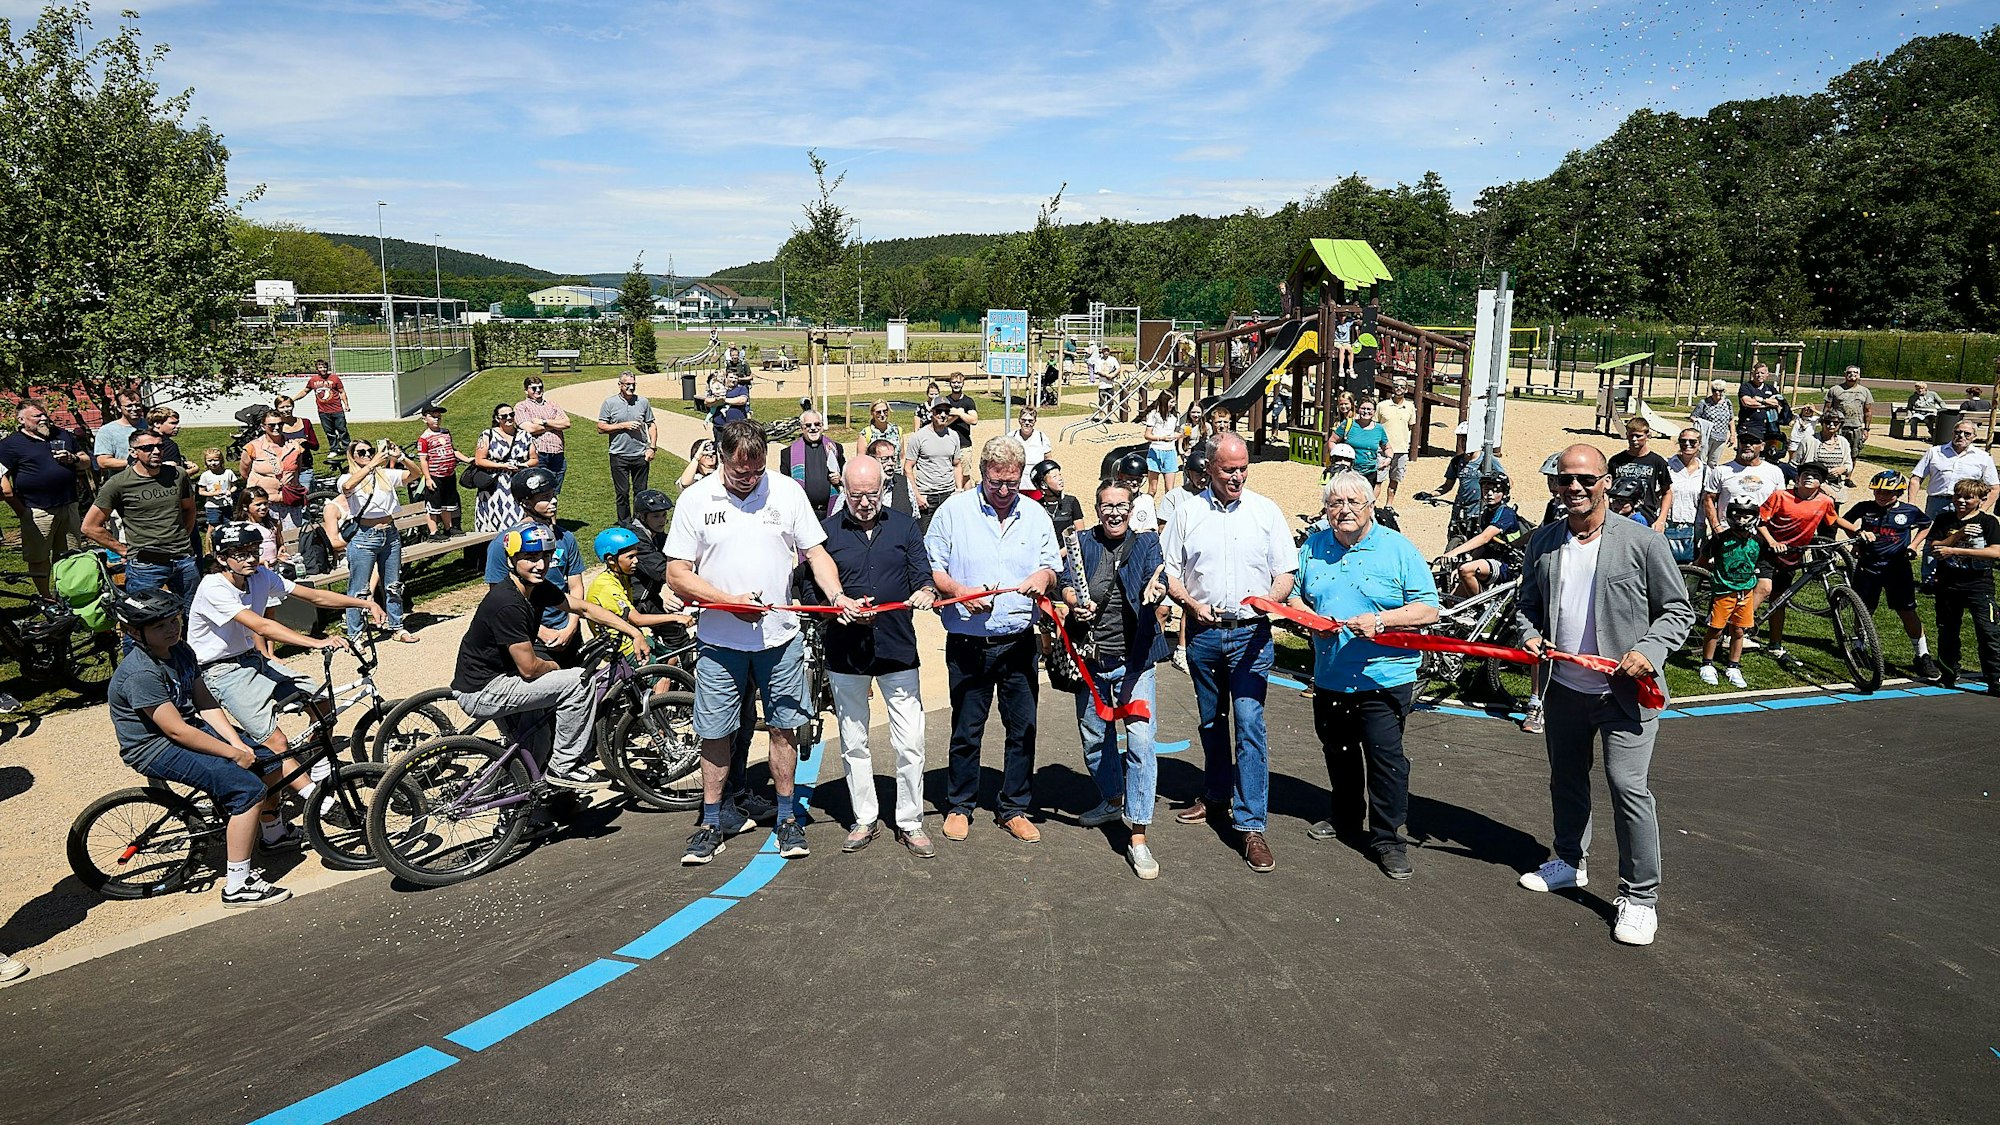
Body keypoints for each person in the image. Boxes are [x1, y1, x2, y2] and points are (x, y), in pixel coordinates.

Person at [1513, 445, 1694, 947]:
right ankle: (1569, 861)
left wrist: (1650, 650)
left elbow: (1678, 611)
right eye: (1564, 479)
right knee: (1566, 779)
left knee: (1627, 787)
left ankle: (1639, 898)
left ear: (1606, 481)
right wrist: (1528, 635)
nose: (1574, 488)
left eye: (1585, 479)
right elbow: (1527, 606)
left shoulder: (1641, 542)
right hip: (1565, 690)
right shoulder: (1543, 542)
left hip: (1626, 693)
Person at [668, 420, 860, 864]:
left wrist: (836, 595)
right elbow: (677, 573)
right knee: (715, 734)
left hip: (780, 640)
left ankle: (788, 820)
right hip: (719, 641)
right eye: (740, 473)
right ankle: (711, 821)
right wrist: (728, 602)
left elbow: (816, 553)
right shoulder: (695, 500)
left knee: (784, 727)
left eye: (756, 473)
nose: (750, 480)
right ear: (720, 455)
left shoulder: (786, 492)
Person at [104, 587, 314, 908]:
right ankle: (237, 885)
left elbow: (203, 701)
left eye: (174, 620)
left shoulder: (181, 650)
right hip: (155, 746)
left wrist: (236, 742)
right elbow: (175, 731)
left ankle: (272, 833)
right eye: (160, 626)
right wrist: (232, 754)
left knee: (269, 761)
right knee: (247, 791)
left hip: (189, 728)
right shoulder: (141, 673)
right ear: (135, 632)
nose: (172, 628)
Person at [1292, 470, 1440, 880]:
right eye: (1335, 504)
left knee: (1385, 759)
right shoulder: (1313, 547)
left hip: (1385, 676)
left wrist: (1382, 620)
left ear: (1370, 505)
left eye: (1353, 503)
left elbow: (1428, 608)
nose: (1344, 511)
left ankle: (1388, 838)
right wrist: (1305, 616)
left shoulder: (1397, 549)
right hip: (1330, 675)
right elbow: (1291, 592)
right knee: (1337, 750)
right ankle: (1345, 817)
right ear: (1325, 510)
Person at [1161, 432, 1297, 873]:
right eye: (1228, 470)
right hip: (1203, 633)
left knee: (1250, 722)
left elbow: (1285, 572)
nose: (1237, 477)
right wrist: (1191, 603)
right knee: (1211, 720)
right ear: (1210, 468)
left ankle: (1251, 824)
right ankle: (1217, 792)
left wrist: (1270, 601)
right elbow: (1172, 572)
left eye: (1242, 469)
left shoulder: (1265, 511)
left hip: (1251, 634)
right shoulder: (1187, 512)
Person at [926, 435, 1060, 843]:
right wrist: (960, 592)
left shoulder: (1035, 515)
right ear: (982, 472)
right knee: (967, 727)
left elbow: (1053, 567)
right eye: (996, 482)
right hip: (969, 643)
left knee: (1023, 728)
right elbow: (934, 567)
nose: (1004, 491)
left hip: (1019, 641)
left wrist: (1044, 578)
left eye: (1012, 483)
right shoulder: (953, 511)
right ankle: (961, 804)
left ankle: (1014, 806)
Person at [455, 524, 652, 797]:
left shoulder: (535, 588)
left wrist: (631, 630)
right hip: (484, 690)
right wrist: (557, 666)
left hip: (501, 680)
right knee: (577, 681)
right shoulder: (507, 603)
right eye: (531, 558)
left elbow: (583, 607)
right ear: (512, 560)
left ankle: (516, 810)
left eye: (546, 557)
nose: (540, 565)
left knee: (539, 741)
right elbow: (530, 668)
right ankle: (565, 768)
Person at [820, 456, 937, 857]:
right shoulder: (827, 533)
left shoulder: (904, 526)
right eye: (856, 495)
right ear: (844, 491)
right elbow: (809, 591)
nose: (866, 502)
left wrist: (926, 591)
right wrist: (836, 604)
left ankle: (910, 821)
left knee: (910, 742)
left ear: (883, 488)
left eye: (872, 494)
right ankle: (865, 817)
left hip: (897, 648)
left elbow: (923, 574)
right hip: (846, 652)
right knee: (854, 741)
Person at [192, 523, 382, 768]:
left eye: (254, 550)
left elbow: (315, 596)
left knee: (322, 702)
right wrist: (316, 642)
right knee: (277, 743)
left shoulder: (260, 576)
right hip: (220, 670)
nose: (251, 559)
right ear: (221, 558)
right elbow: (263, 627)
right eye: (241, 553)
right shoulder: (213, 587)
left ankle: (318, 768)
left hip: (250, 658)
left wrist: (364, 604)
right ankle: (303, 794)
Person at [1061, 479, 1171, 879]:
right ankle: (1111, 797)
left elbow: (1156, 578)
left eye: (1121, 505)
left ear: (1131, 507)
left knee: (1141, 742)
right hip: (1091, 659)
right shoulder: (1082, 542)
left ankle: (1138, 836)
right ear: (1096, 507)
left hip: (1136, 658)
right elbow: (1066, 582)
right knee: (1094, 741)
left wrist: (1154, 592)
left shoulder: (1145, 543)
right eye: (1106, 505)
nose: (1113, 513)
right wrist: (1074, 603)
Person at [83, 428, 199, 621]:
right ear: (133, 452)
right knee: (141, 622)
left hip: (183, 560)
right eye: (147, 448)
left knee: (194, 618)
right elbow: (89, 527)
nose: (156, 451)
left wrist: (183, 537)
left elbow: (189, 509)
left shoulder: (178, 475)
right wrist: (122, 550)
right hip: (146, 565)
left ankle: (187, 651)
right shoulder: (118, 484)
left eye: (159, 446)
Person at [1844, 469, 1939, 683]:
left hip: (1898, 569)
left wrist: (1914, 544)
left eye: (1887, 493)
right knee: (1864, 609)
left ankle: (1922, 654)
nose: (1881, 496)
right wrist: (1857, 538)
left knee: (1907, 611)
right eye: (1877, 491)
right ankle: (1859, 645)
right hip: (1868, 567)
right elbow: (1843, 522)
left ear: (1899, 492)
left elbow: (1926, 525)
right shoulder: (1864, 508)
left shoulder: (1909, 511)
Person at [482, 468, 585, 661]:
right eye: (545, 497)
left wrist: (571, 627)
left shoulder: (566, 538)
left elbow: (576, 586)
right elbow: (499, 597)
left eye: (553, 495)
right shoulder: (502, 543)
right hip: (531, 636)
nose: (553, 501)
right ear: (526, 502)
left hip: (569, 630)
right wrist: (542, 632)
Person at [1757, 462, 1852, 667]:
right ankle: (1737, 631)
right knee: (1764, 589)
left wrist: (1858, 531)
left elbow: (1834, 520)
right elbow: (1760, 521)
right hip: (1767, 550)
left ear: (1822, 482)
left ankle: (1774, 644)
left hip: (1792, 556)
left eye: (1815, 475)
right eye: (1805, 474)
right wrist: (1772, 542)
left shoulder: (1825, 501)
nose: (1809, 477)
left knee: (1779, 601)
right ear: (1797, 479)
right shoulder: (1780, 496)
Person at [0, 400, 88, 600]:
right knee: (39, 557)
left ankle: (66, 593)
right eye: (37, 416)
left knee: (70, 555)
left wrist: (72, 459)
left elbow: (86, 461)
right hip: (36, 509)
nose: (44, 419)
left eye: (44, 415)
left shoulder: (62, 435)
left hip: (69, 504)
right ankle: (46, 597)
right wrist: (20, 510)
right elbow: (2, 478)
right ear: (21, 419)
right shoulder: (10, 445)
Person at [336, 440, 419, 643]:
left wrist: (400, 457)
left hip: (389, 534)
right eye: (361, 452)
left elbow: (415, 474)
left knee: (393, 584)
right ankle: (355, 635)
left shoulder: (385, 476)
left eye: (370, 451)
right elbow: (347, 486)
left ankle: (397, 626)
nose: (366, 454)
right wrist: (373, 463)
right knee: (359, 589)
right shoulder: (347, 477)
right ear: (353, 456)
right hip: (365, 536)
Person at [1925, 478, 2000, 694]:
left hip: (1979, 585)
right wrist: (1958, 536)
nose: (1962, 501)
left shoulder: (1988, 522)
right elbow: (1934, 547)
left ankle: (1995, 678)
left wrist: (1956, 550)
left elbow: (1995, 552)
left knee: (1989, 633)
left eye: (1968, 497)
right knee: (1947, 631)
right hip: (1948, 585)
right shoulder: (1944, 519)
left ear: (1979, 500)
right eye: (1958, 496)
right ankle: (1948, 674)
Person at [1695, 499, 1764, 689]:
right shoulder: (1720, 539)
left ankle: (1733, 666)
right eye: (1737, 515)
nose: (1741, 520)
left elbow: (1762, 562)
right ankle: (1707, 664)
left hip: (1745, 592)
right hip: (1723, 591)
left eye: (1746, 516)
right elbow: (1702, 560)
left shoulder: (1757, 541)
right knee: (1715, 629)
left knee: (1739, 630)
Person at [1437, 474, 1524, 599]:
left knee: (1466, 570)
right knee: (1453, 600)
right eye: (1486, 490)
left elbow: (1485, 537)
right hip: (1489, 561)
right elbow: (1484, 546)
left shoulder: (1505, 512)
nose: (1489, 494)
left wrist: (1453, 553)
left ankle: (1480, 608)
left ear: (1504, 493)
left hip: (1507, 565)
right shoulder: (1486, 513)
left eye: (1495, 490)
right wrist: (1466, 562)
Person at [597, 371, 658, 525]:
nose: (631, 387)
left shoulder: (643, 402)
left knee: (641, 492)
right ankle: (624, 523)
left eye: (633, 384)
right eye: (627, 384)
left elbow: (651, 425)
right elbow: (601, 427)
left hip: (640, 454)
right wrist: (623, 425)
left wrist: (652, 447)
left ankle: (640, 522)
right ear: (620, 385)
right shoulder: (610, 403)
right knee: (622, 492)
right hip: (619, 454)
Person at [1908, 420, 1998, 523]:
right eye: (1957, 432)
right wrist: (1911, 504)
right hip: (1937, 504)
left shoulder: (1983, 457)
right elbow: (1916, 479)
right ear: (1952, 433)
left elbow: (1994, 488)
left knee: (1963, 537)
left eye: (1967, 434)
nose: (1961, 436)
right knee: (1932, 536)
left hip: (1966, 505)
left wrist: (1981, 510)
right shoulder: (1935, 452)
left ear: (1974, 437)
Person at [1702, 429, 1787, 534]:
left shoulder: (1775, 471)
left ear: (1762, 446)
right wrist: (1717, 528)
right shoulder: (1721, 470)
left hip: (1762, 535)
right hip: (1728, 532)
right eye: (1744, 441)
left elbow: (1780, 503)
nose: (1748, 445)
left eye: (1753, 442)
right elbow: (1708, 500)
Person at [474, 402, 539, 534]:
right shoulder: (487, 435)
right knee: (493, 522)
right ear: (497, 419)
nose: (509, 418)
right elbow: (479, 460)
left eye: (511, 415)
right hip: (494, 486)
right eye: (504, 416)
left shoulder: (525, 436)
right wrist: (501, 465)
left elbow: (534, 459)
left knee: (517, 517)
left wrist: (522, 465)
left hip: (517, 483)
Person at [239, 409, 306, 533]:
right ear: (263, 427)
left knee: (293, 538)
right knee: (266, 538)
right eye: (271, 425)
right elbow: (244, 473)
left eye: (280, 424)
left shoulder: (294, 446)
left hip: (289, 501)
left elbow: (298, 470)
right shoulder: (252, 447)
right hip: (264, 503)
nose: (277, 427)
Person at [905, 402, 964, 532]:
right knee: (923, 537)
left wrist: (959, 489)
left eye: (946, 412)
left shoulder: (954, 436)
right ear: (932, 412)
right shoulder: (919, 437)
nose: (943, 415)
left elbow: (957, 464)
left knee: (948, 534)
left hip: (948, 495)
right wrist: (916, 494)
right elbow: (908, 467)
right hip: (926, 497)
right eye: (939, 411)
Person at [415, 403, 471, 540]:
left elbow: (453, 450)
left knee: (447, 503)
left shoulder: (445, 432)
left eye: (438, 417)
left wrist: (467, 459)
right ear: (424, 419)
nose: (436, 419)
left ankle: (448, 527)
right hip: (435, 476)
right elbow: (423, 460)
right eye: (432, 417)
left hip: (449, 474)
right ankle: (433, 532)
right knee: (434, 505)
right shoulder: (424, 438)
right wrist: (427, 478)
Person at [1607, 418, 1672, 529]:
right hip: (1617, 514)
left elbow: (1667, 492)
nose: (1634, 439)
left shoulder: (1657, 462)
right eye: (1631, 435)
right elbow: (1606, 489)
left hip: (1646, 516)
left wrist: (1661, 519)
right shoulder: (1616, 460)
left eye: (1638, 436)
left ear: (1647, 436)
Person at [780, 410, 846, 517]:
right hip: (803, 513)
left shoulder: (836, 449)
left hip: (831, 511)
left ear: (822, 426)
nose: (813, 428)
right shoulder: (788, 453)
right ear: (802, 428)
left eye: (817, 424)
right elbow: (785, 486)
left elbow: (847, 477)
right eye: (808, 425)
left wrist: (840, 478)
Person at [515, 375, 571, 494]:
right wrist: (554, 424)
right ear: (526, 390)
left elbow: (566, 423)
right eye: (533, 388)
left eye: (540, 387)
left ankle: (551, 511)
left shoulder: (552, 405)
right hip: (538, 454)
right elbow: (529, 429)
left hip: (557, 453)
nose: (538, 390)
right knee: (538, 490)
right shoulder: (521, 407)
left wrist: (543, 422)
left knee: (554, 491)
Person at [1664, 428, 1706, 564]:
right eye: (1683, 441)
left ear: (1699, 444)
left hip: (1695, 527)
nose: (1687, 444)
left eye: (1692, 441)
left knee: (1692, 571)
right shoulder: (1667, 466)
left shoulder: (1706, 471)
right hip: (1669, 524)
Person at [1376, 378, 1417, 507]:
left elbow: (1410, 426)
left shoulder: (1410, 407)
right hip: (1382, 449)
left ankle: (1389, 505)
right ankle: (1371, 506)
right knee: (1378, 479)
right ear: (1393, 388)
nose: (1399, 388)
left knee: (1395, 479)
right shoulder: (1382, 405)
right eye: (1396, 386)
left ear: (1406, 389)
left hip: (1401, 449)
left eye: (1402, 386)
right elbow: (1376, 424)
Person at [92, 390, 149, 475]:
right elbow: (103, 461)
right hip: (123, 480)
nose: (134, 409)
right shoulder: (107, 431)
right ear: (119, 408)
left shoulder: (150, 426)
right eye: (129, 406)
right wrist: (134, 464)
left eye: (137, 405)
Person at [271, 395, 321, 495]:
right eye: (282, 407)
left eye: (288, 406)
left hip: (304, 468)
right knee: (287, 498)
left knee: (304, 498)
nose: (286, 410)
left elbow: (315, 446)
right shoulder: (276, 426)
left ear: (293, 406)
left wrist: (305, 442)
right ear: (277, 409)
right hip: (284, 470)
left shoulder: (305, 423)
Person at [1791, 413, 1854, 487]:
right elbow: (1794, 464)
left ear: (1840, 424)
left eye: (1836, 423)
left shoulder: (1843, 442)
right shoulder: (1808, 440)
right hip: (1810, 485)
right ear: (1822, 423)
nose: (1831, 425)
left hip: (1835, 485)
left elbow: (1849, 465)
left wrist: (1842, 469)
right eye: (1827, 422)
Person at [304, 360, 351, 456]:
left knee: (342, 430)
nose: (323, 369)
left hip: (337, 410)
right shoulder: (313, 380)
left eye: (325, 367)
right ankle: (334, 449)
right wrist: (292, 399)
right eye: (320, 367)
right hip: (323, 412)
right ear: (317, 369)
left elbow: (342, 392)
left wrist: (346, 405)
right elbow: (305, 391)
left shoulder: (334, 378)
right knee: (329, 432)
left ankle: (348, 448)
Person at [1825, 366, 1874, 457]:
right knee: (1835, 452)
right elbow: (1827, 409)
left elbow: (1868, 411)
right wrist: (1826, 426)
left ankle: (1849, 471)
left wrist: (1866, 429)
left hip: (1856, 427)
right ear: (1845, 375)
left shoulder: (1865, 391)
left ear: (1859, 375)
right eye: (1849, 372)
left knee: (1853, 455)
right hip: (1838, 427)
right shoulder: (1835, 390)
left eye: (1855, 372)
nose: (1852, 374)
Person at [196, 447, 239, 547]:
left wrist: (230, 491)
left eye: (216, 460)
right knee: (212, 527)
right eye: (210, 461)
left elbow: (235, 486)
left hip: (226, 504)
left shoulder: (228, 473)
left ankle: (227, 547)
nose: (213, 463)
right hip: (212, 506)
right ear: (206, 462)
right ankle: (208, 549)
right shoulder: (205, 475)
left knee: (228, 525)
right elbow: (201, 492)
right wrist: (213, 494)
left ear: (221, 460)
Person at [1032, 459, 1084, 540]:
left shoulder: (1071, 502)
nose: (1060, 479)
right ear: (1043, 485)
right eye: (1055, 477)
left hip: (1068, 550)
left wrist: (1062, 552)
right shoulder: (1036, 507)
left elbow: (1081, 534)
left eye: (1060, 475)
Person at [1690, 378, 1737, 466]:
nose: (1717, 393)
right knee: (1701, 460)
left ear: (1724, 391)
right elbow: (1693, 417)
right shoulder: (1704, 403)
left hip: (1721, 437)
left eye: (1720, 390)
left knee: (1713, 462)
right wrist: (1703, 423)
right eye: (1714, 390)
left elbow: (1731, 419)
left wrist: (1732, 435)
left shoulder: (1727, 403)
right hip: (1706, 437)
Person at [1343, 398, 1389, 486]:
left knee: (1366, 498)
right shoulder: (1348, 424)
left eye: (1369, 409)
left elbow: (1387, 447)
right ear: (1358, 409)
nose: (1366, 411)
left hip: (1370, 472)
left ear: (1374, 411)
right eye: (1363, 408)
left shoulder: (1379, 428)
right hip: (1349, 471)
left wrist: (1388, 458)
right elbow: (1332, 441)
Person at [1142, 392, 1180, 497]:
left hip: (1170, 452)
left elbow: (1174, 433)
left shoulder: (1175, 416)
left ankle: (1168, 511)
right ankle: (1149, 509)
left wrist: (1181, 435)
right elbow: (1147, 435)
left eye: (1174, 401)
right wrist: (1161, 438)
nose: (1173, 404)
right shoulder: (1154, 415)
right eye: (1171, 401)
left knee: (1170, 489)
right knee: (1152, 489)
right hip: (1156, 451)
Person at [1738, 364, 1784, 446]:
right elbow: (1747, 402)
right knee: (1746, 454)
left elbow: (1777, 403)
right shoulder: (1746, 387)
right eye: (1757, 373)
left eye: (1762, 373)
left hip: (1767, 428)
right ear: (1753, 374)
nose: (1759, 375)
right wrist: (1767, 404)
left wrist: (1762, 400)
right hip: (1748, 427)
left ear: (1767, 374)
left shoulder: (1771, 389)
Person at [1112, 450, 1158, 533]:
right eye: (1130, 479)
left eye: (1138, 479)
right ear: (1120, 476)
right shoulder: (1112, 498)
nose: (1134, 482)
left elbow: (1152, 528)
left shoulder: (1147, 500)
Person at [942, 373, 979, 447]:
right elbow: (942, 423)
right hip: (947, 444)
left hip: (964, 444)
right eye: (953, 382)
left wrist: (960, 413)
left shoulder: (968, 401)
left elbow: (974, 420)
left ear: (963, 384)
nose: (956, 385)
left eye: (959, 382)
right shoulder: (945, 401)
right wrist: (956, 415)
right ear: (950, 384)